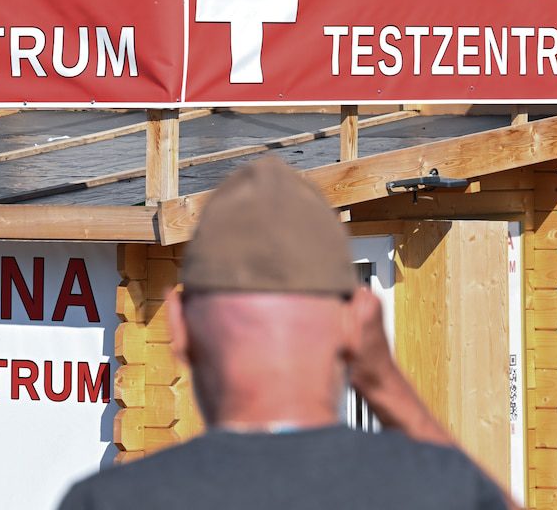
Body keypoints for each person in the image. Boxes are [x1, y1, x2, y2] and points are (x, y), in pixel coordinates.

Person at [58, 156, 514, 510]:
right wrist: (384, 384)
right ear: (356, 323)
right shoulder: (441, 491)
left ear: (178, 326)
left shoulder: (109, 501)